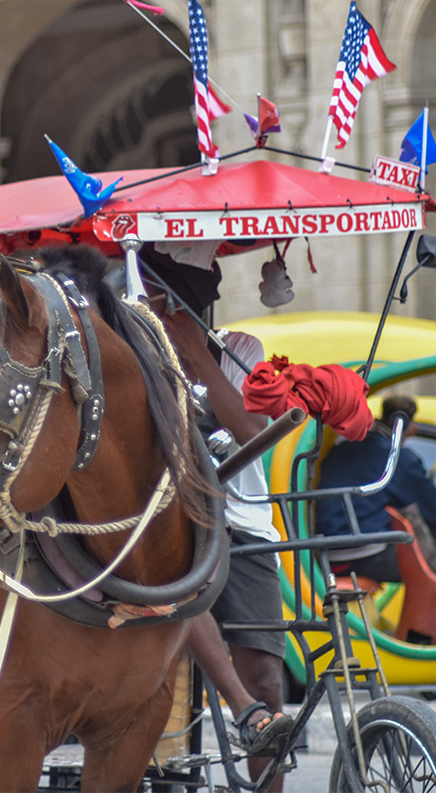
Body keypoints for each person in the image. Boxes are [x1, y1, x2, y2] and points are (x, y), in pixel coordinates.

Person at [141, 247, 292, 784]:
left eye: (170, 299)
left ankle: (259, 737)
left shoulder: (239, 350)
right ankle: (232, 713)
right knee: (173, 601)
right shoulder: (137, 353)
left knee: (268, 679)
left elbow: (254, 436)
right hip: (171, 528)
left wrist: (199, 357)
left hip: (245, 527)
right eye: (153, 297)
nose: (158, 309)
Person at [314, 395, 436, 583]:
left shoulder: (342, 448)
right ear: (410, 429)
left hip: (328, 554)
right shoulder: (396, 456)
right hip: (366, 556)